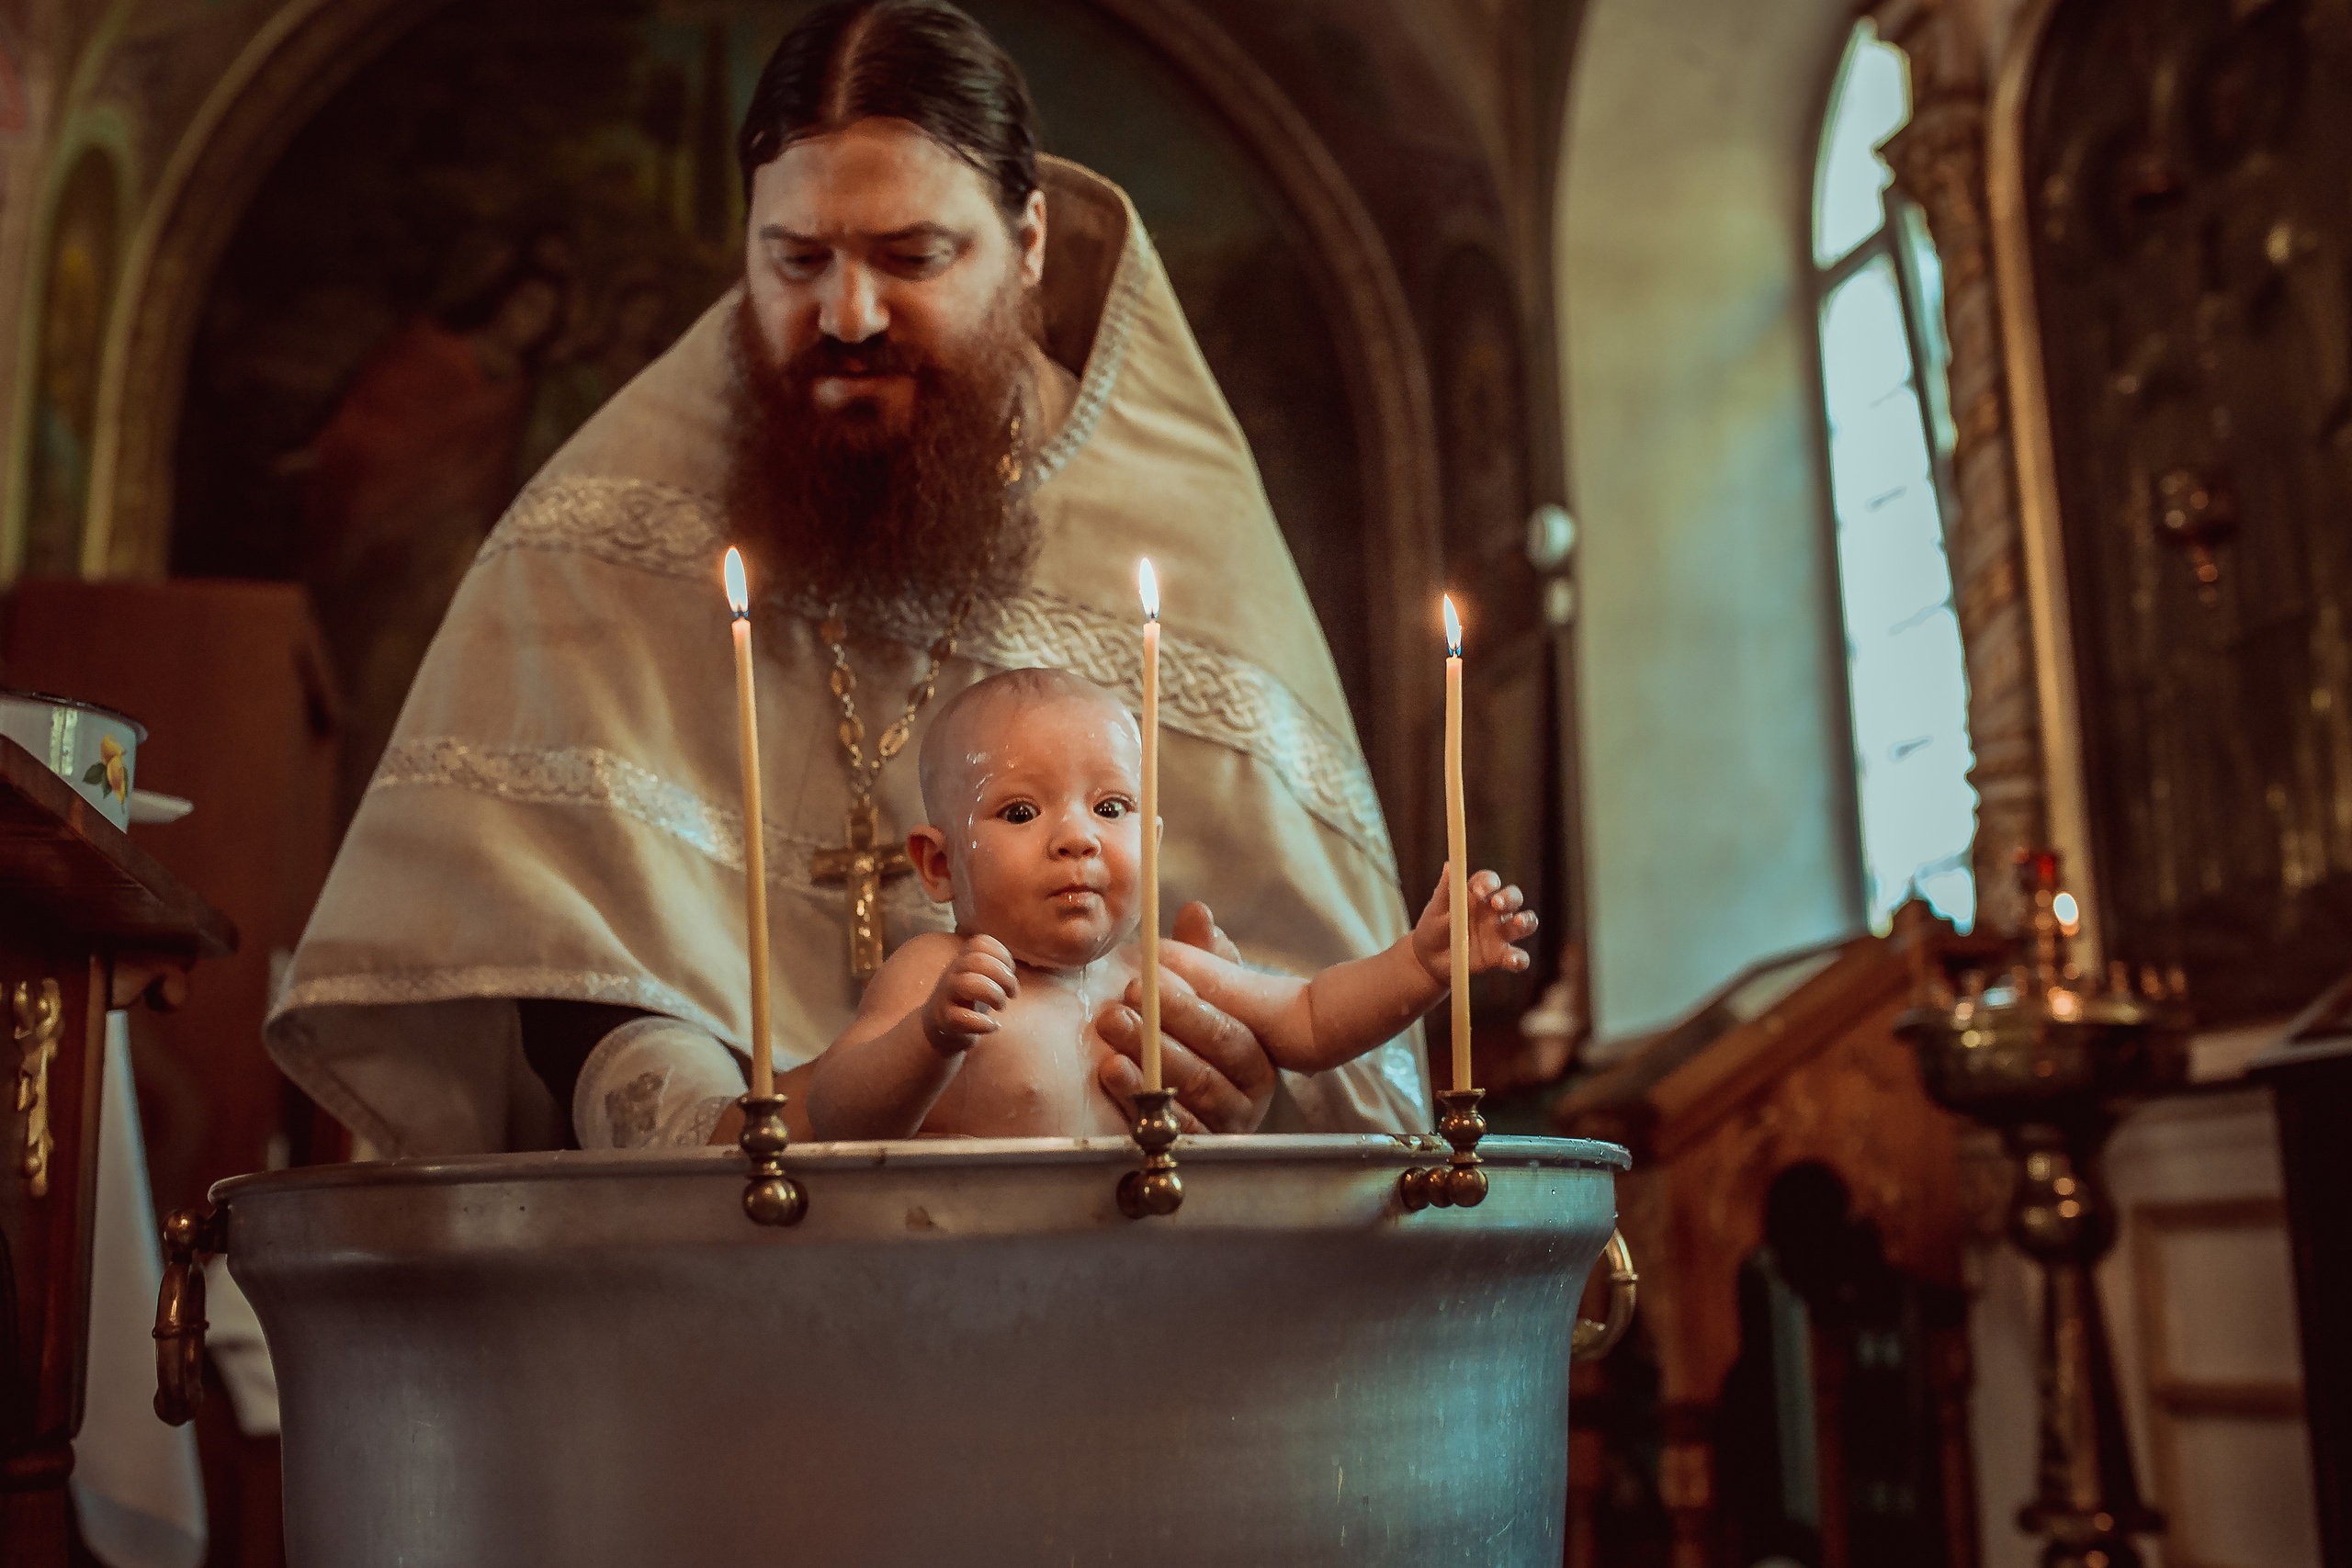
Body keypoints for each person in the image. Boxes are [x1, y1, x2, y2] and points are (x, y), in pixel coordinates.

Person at [266, 0, 1430, 1156]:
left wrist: (1239, 1081)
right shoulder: (612, 520)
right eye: (798, 259)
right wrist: (689, 1129)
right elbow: (554, 941)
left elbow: (1321, 1025)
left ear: (1026, 245)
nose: (848, 313)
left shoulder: (1178, 539)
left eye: (911, 257)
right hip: (708, 1268)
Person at [808, 670, 1534, 1139]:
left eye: (1110, 805)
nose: (1076, 838)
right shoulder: (936, 971)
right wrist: (929, 1037)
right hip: (972, 1276)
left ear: (1151, 843)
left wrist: (1418, 964)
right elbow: (835, 1110)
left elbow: (1310, 1016)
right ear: (939, 864)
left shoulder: (1156, 970)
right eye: (1022, 812)